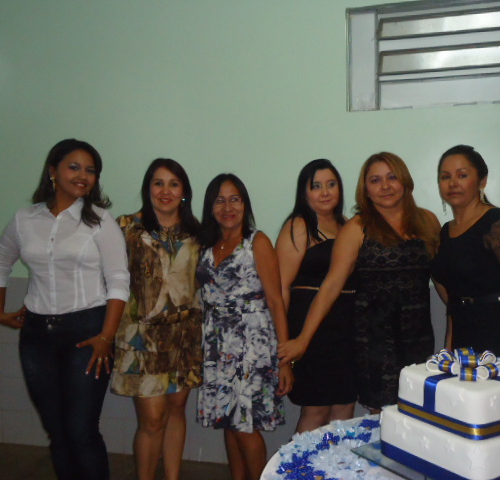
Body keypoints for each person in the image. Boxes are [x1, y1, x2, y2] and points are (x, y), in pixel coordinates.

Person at [0, 139, 129, 480]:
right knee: (57, 431)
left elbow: (119, 280)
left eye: (90, 170)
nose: (82, 176)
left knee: (81, 431)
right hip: (37, 337)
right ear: (53, 171)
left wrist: (106, 336)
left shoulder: (100, 222)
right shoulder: (25, 219)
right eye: (74, 167)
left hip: (88, 335)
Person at [278, 152, 440, 411]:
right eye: (375, 180)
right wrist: (302, 340)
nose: (385, 186)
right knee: (381, 414)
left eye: (392, 177)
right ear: (365, 189)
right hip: (375, 339)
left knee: (419, 411)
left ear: (405, 181)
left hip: (418, 334)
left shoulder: (428, 220)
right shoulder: (356, 228)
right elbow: (331, 286)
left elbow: (440, 276)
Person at [110, 159, 202, 480]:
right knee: (151, 420)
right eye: (158, 183)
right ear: (148, 188)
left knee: (176, 411)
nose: (166, 191)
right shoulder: (126, 227)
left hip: (185, 338)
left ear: (184, 192)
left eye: (174, 184)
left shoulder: (197, 233)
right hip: (140, 341)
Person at [196, 173, 293, 480]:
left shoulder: (257, 242)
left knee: (245, 425)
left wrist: (285, 359)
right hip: (216, 345)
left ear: (245, 204)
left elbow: (275, 300)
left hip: (251, 346)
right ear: (211, 206)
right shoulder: (206, 245)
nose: (228, 207)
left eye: (235, 199)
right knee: (229, 420)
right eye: (220, 200)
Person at [432, 144, 500, 370]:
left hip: (498, 334)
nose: (453, 183)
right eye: (445, 177)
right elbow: (453, 297)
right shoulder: (445, 232)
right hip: (462, 337)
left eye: (462, 175)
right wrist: (448, 347)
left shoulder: (499, 224)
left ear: (482, 181)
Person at [275, 159, 356, 432]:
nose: (325, 192)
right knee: (316, 410)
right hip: (311, 333)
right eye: (316, 186)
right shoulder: (299, 226)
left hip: (347, 332)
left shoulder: (348, 226)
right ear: (304, 192)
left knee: (344, 408)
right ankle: (301, 461)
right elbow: (281, 289)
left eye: (331, 184)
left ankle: (336, 461)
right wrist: (285, 345)